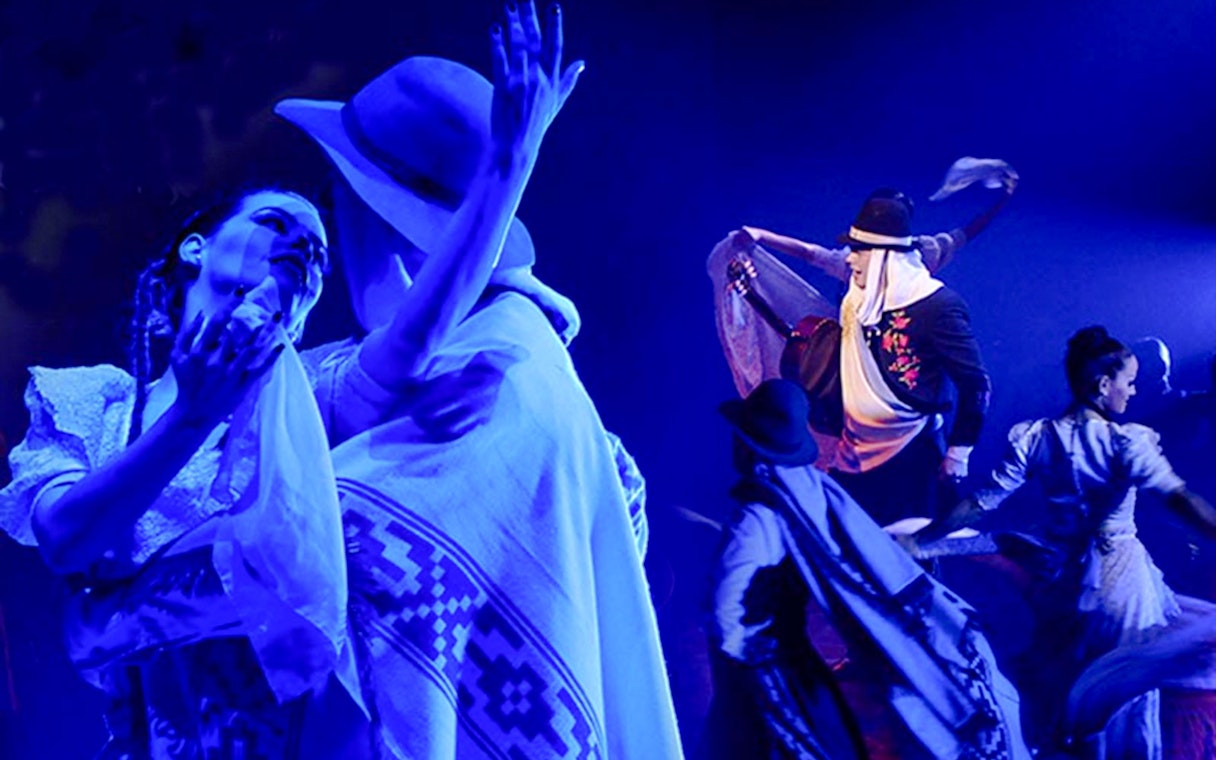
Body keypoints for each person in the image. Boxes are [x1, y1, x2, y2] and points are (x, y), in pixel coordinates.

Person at [275, 3, 683, 758]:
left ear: (379, 219)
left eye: (341, 193)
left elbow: (327, 551)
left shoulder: (505, 373)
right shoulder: (504, 349)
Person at [0, 186, 372, 758]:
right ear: (196, 249)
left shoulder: (313, 407)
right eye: (275, 222)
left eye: (319, 256)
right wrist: (192, 417)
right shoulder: (97, 402)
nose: (302, 247)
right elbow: (65, 538)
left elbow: (418, 336)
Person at [901, 326, 1216, 757]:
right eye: (1128, 381)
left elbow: (980, 502)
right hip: (1121, 584)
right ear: (1103, 385)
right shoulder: (1125, 443)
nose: (1133, 390)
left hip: (1062, 579)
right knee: (1122, 698)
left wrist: (923, 539)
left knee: (1072, 686)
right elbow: (1180, 499)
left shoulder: (1037, 438)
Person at [708, 378, 1029, 760]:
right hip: (797, 662)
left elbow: (725, 610)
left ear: (748, 445)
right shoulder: (812, 492)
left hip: (766, 665)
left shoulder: (757, 519)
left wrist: (735, 661)